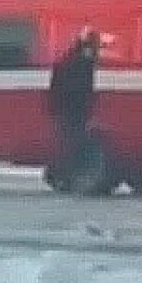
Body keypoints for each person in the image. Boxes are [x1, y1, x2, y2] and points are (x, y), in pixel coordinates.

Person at [46, 27, 101, 190]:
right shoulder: (83, 63)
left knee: (68, 143)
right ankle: (60, 174)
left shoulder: (67, 60)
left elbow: (56, 85)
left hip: (68, 109)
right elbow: (85, 88)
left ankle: (58, 174)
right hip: (75, 109)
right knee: (73, 144)